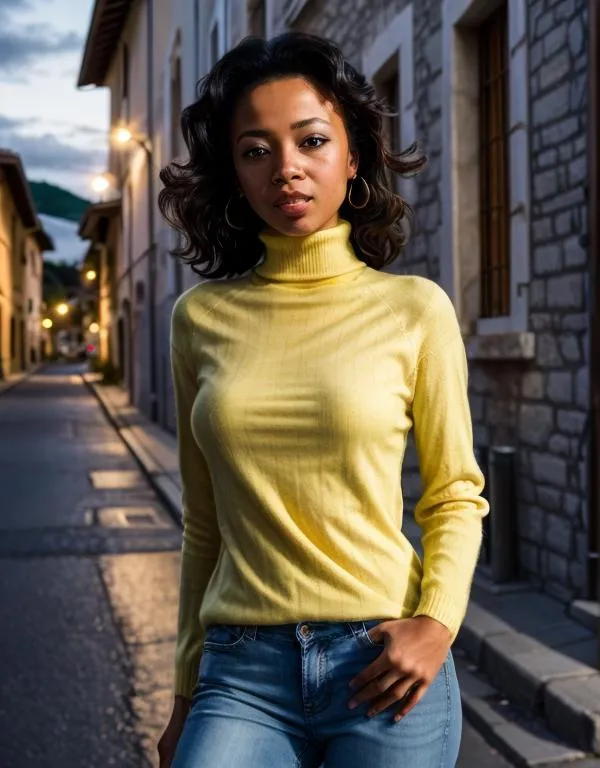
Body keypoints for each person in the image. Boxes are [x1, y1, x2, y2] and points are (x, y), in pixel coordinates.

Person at [156, 31, 489, 768]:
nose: (287, 169)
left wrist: (435, 625)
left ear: (353, 153)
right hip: (242, 668)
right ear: (234, 173)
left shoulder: (414, 309)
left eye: (310, 140)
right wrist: (185, 693)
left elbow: (454, 495)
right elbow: (203, 524)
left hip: (379, 658)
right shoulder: (200, 320)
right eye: (256, 150)